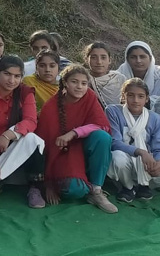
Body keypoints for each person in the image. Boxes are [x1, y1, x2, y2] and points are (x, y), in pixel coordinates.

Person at [35, 64, 118, 213]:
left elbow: (101, 125)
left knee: (103, 137)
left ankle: (96, 190)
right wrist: (48, 184)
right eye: (74, 82)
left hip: (84, 145)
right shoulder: (51, 107)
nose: (79, 87)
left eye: (84, 83)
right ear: (65, 82)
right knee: (74, 191)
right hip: (63, 154)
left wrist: (74, 133)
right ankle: (81, 185)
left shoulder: (90, 97)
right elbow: (44, 147)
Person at [0, 56, 45, 208]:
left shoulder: (25, 93)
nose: (11, 80)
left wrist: (8, 135)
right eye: (7, 74)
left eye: (17, 76)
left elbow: (31, 121)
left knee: (33, 139)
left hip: (10, 150)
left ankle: (35, 188)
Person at [107, 78, 160, 202]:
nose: (135, 100)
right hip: (126, 157)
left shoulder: (155, 118)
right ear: (123, 96)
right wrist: (141, 152)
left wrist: (157, 162)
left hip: (147, 161)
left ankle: (144, 185)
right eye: (131, 95)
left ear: (147, 99)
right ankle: (128, 187)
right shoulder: (113, 111)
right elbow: (115, 142)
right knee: (117, 157)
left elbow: (157, 146)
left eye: (140, 96)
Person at [117, 41, 160, 110]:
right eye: (133, 57)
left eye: (142, 57)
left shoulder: (158, 75)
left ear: (150, 58)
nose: (138, 61)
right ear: (127, 59)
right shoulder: (118, 76)